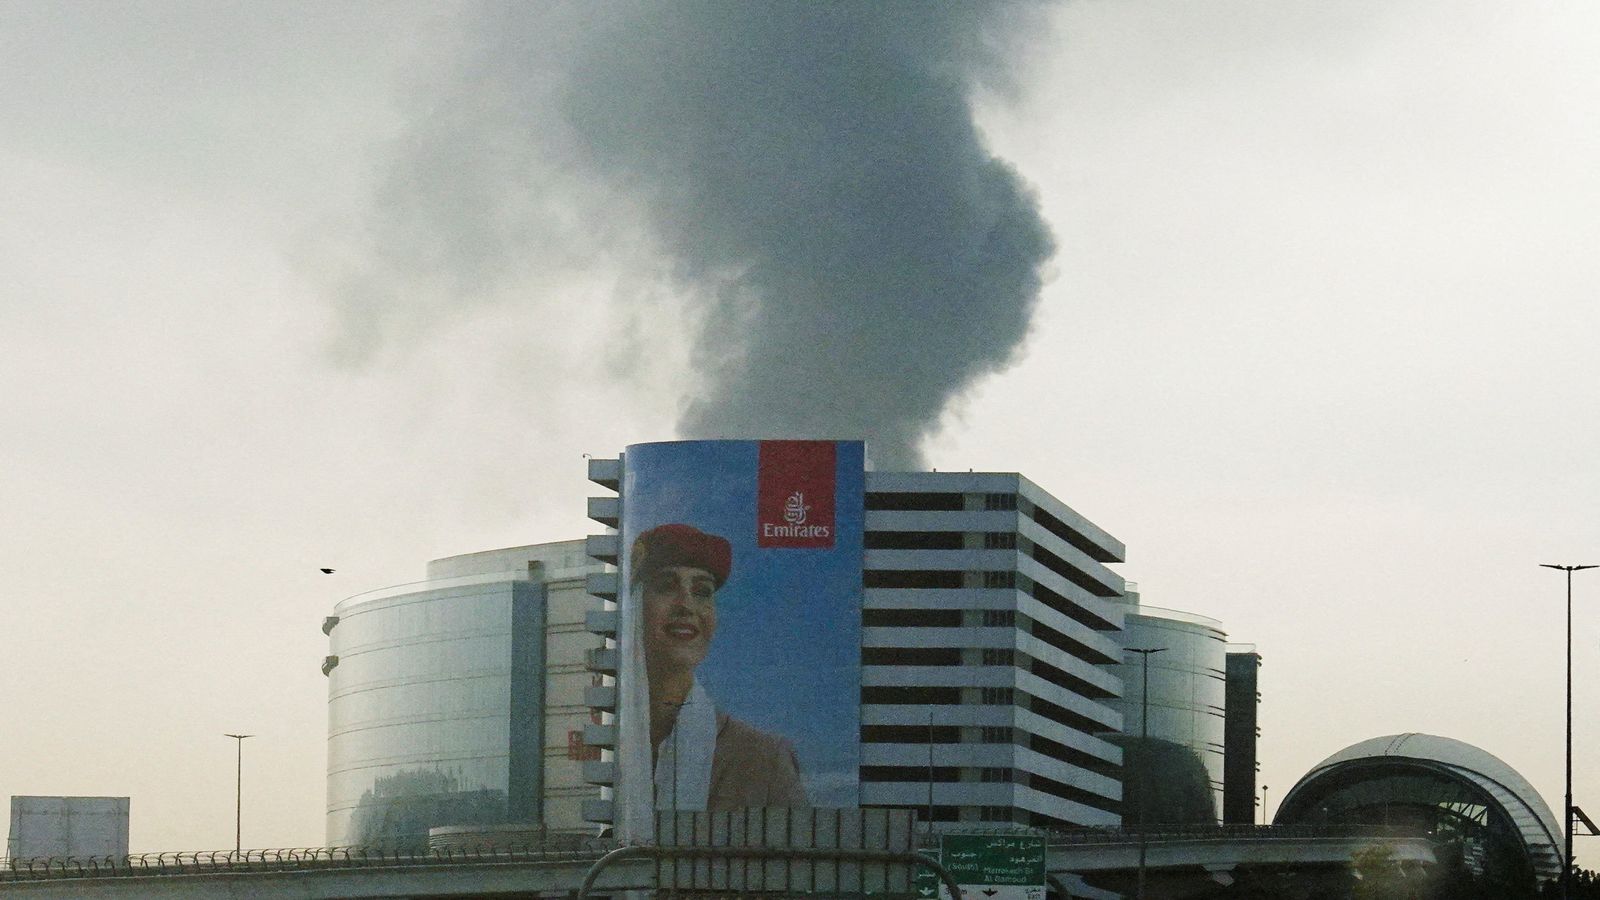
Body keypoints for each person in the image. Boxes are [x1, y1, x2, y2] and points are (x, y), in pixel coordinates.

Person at [631, 523, 808, 810]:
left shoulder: (764, 759)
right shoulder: (619, 739)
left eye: (702, 591)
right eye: (666, 586)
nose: (686, 605)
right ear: (634, 605)